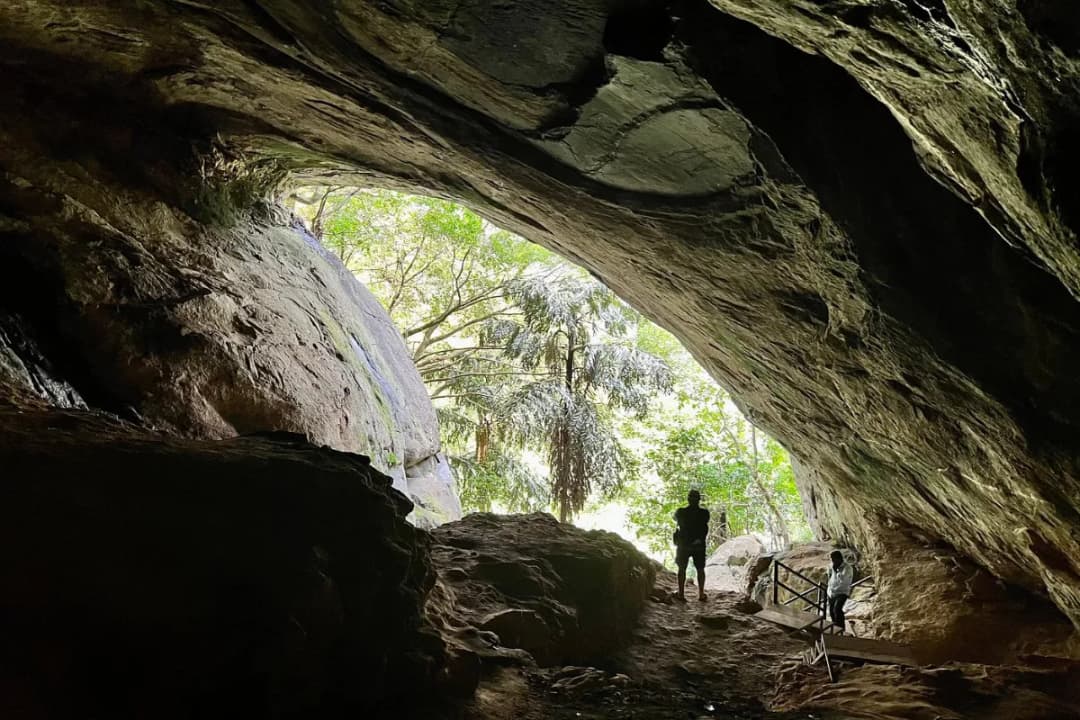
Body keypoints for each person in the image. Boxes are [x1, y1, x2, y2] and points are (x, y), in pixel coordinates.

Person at [673, 489, 710, 602]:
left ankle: (681, 593)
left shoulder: (681, 512)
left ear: (688, 499)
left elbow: (675, 519)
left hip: (684, 544)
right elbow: (704, 526)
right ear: (699, 500)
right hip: (698, 544)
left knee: (682, 569)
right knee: (700, 569)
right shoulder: (704, 513)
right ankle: (701, 593)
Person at [827, 549, 853, 633]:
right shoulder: (832, 565)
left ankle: (842, 630)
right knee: (831, 611)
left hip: (842, 592)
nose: (832, 561)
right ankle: (835, 629)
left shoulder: (847, 568)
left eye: (833, 559)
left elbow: (844, 580)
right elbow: (830, 577)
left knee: (837, 609)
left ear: (839, 559)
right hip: (832, 591)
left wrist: (836, 570)